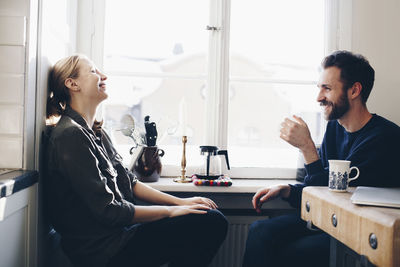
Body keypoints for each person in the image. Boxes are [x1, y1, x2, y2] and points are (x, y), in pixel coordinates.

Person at [45, 54, 228, 267]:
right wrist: (171, 212)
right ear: (72, 83)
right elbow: (110, 212)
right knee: (211, 223)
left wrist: (181, 202)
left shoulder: (96, 132)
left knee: (207, 216)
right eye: (94, 71)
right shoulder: (70, 136)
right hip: (104, 250)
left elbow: (130, 182)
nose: (103, 76)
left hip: (121, 235)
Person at [242, 50, 400, 267]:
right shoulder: (335, 128)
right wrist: (287, 189)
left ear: (354, 90)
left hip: (356, 230)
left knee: (291, 254)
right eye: (319, 88)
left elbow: (332, 198)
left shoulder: (383, 138)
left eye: (327, 88)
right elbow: (321, 188)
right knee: (259, 231)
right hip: (329, 220)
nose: (318, 97)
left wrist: (307, 148)